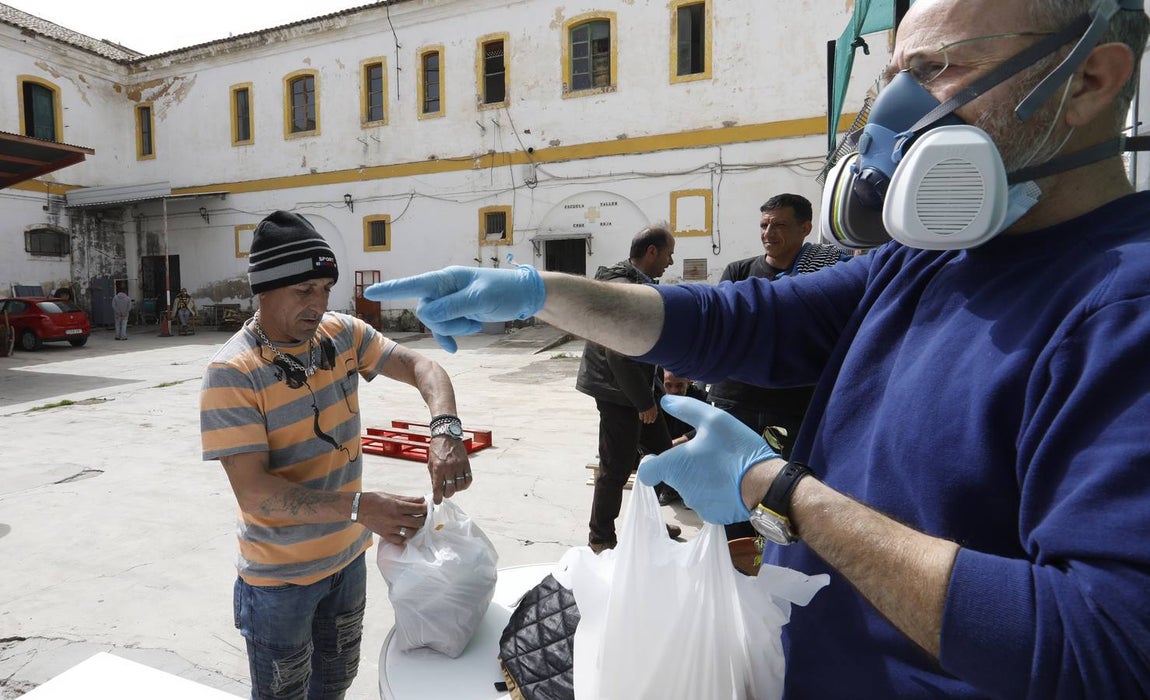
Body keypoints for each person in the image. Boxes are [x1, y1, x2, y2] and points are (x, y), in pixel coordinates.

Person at [362, 0, 1150, 695]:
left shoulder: (1123, 308)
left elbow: (1103, 647)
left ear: (1088, 81)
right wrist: (542, 293)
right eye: (900, 70)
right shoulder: (930, 258)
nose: (901, 109)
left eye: (940, 69)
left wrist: (779, 491)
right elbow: (746, 321)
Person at [200, 211, 473, 699]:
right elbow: (255, 494)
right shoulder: (233, 373)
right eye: (303, 290)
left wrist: (445, 428)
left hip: (347, 564)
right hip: (281, 583)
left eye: (325, 288)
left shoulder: (341, 335)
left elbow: (422, 365)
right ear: (264, 289)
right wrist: (359, 507)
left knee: (336, 683)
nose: (318, 304)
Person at [707, 194, 850, 458]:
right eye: (764, 225)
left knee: (781, 484)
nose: (768, 233)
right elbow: (727, 328)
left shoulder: (824, 276)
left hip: (793, 404)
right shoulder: (739, 271)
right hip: (735, 399)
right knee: (726, 478)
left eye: (779, 225)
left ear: (805, 228)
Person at [575, 225, 681, 552]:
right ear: (652, 252)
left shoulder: (637, 283)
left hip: (637, 389)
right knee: (615, 468)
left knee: (661, 456)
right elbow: (618, 354)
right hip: (618, 391)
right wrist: (643, 403)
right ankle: (601, 539)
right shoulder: (624, 288)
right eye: (668, 253)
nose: (671, 261)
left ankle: (646, 525)